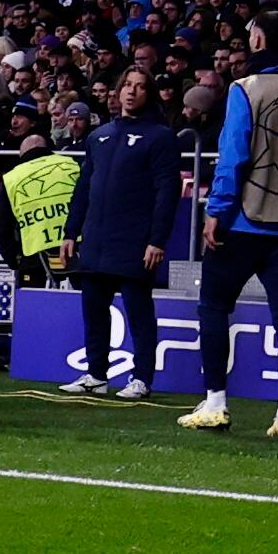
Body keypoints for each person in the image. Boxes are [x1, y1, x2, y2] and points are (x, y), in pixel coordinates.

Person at [190, 14, 278, 436]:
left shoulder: (244, 89)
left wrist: (216, 210)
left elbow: (232, 157)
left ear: (259, 40)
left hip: (246, 220)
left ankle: (215, 402)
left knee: (214, 305)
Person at [59, 64, 179, 403]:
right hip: (97, 239)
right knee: (94, 309)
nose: (131, 91)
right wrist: (71, 232)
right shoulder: (99, 136)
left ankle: (141, 377)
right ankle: (96, 374)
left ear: (149, 93)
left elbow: (167, 193)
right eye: (127, 84)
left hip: (135, 240)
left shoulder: (160, 137)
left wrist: (157, 239)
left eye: (140, 86)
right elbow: (83, 188)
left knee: (139, 312)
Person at [0, 132, 82, 286]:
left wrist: (14, 260)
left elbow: (1, 226)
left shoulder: (13, 178)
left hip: (35, 259)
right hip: (76, 251)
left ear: (22, 154)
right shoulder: (72, 165)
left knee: (37, 306)